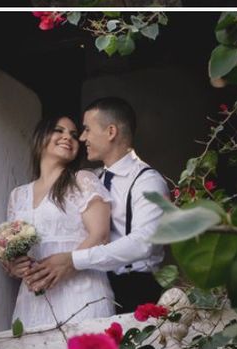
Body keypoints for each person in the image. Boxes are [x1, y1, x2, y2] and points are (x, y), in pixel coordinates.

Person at [25, 97, 168, 313]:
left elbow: (143, 243)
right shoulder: (89, 180)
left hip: (135, 289)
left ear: (111, 132)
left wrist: (73, 259)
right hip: (93, 286)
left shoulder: (147, 181)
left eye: (86, 130)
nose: (82, 138)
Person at [4, 115, 114, 329]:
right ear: (40, 137)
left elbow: (100, 236)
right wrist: (13, 265)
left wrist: (68, 263)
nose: (68, 137)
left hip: (81, 291)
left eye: (74, 135)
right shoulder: (18, 195)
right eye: (59, 130)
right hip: (33, 298)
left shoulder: (82, 180)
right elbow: (10, 250)